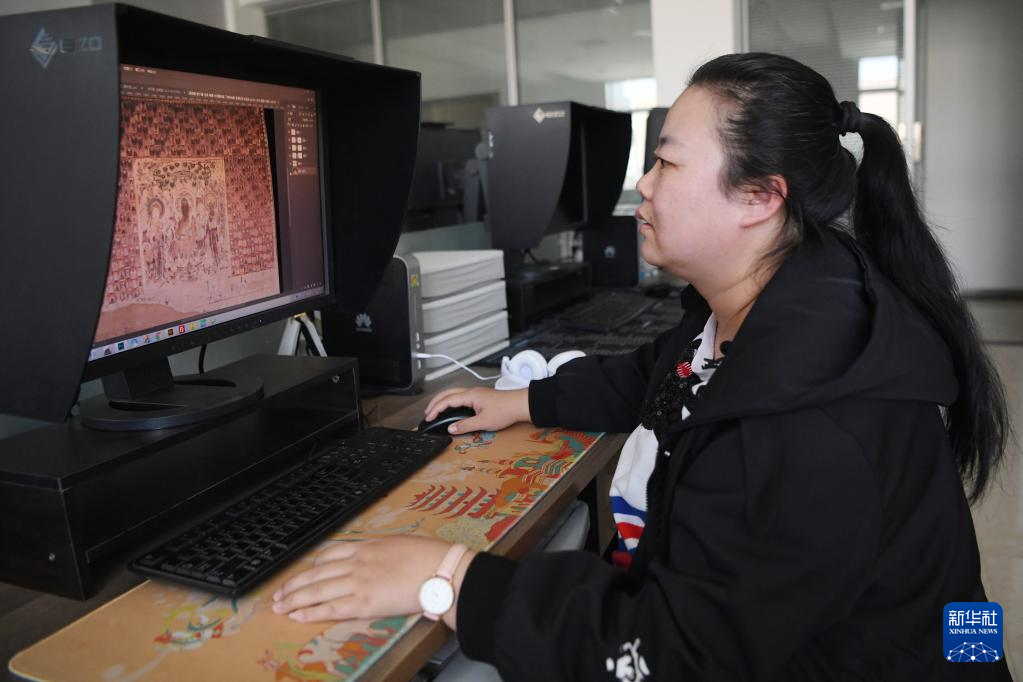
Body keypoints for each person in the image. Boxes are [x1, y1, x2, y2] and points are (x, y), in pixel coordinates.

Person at [272, 53, 1012, 680]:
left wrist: (448, 580)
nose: (645, 185)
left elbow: (669, 654)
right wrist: (527, 400)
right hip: (889, 632)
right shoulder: (783, 297)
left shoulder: (803, 418)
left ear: (760, 197)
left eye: (666, 161)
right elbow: (658, 373)